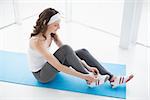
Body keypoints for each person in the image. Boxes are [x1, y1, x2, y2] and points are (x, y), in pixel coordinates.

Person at [28, 8, 134, 88]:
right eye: (56, 25)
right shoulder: (37, 42)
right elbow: (59, 66)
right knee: (66, 48)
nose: (59, 27)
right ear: (46, 24)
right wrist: (85, 76)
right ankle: (90, 80)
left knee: (82, 52)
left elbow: (69, 54)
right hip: (42, 75)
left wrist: (87, 66)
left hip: (50, 67)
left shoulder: (52, 34)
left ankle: (112, 78)